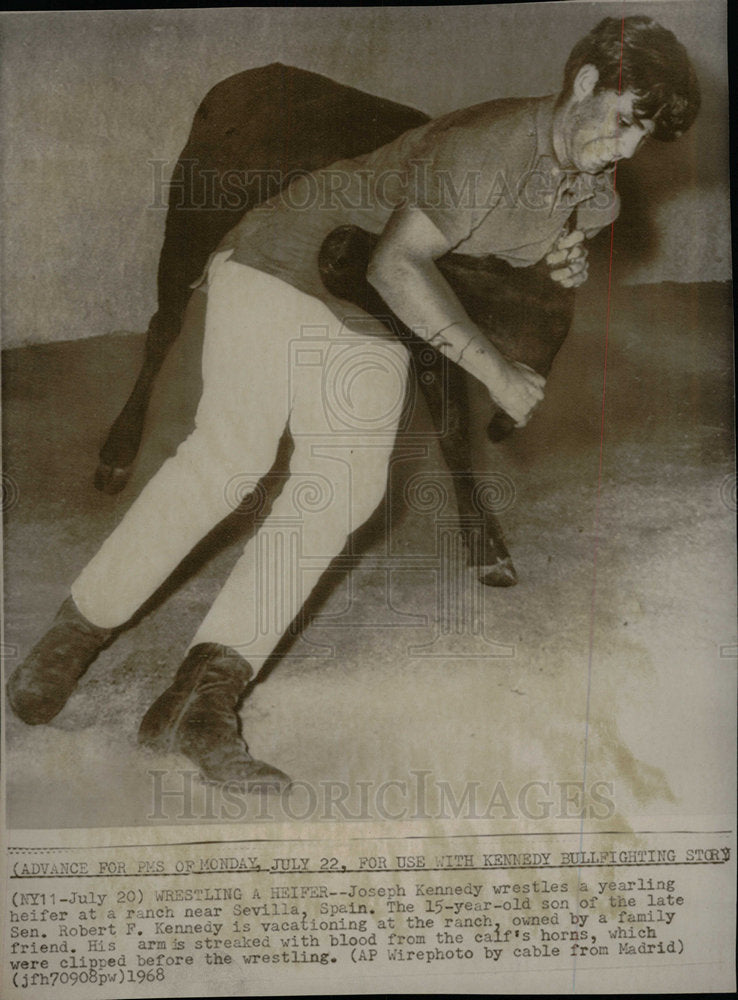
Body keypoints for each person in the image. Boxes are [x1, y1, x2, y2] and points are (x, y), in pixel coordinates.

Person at [6, 16, 699, 791]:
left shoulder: (591, 184)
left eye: (646, 135)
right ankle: (71, 636)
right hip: (291, 258)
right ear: (582, 84)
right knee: (231, 454)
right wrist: (495, 370)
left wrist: (555, 262)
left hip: (364, 305)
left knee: (344, 486)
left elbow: (505, 250)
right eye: (624, 120)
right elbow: (402, 264)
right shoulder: (488, 144)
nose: (629, 150)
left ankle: (200, 702)